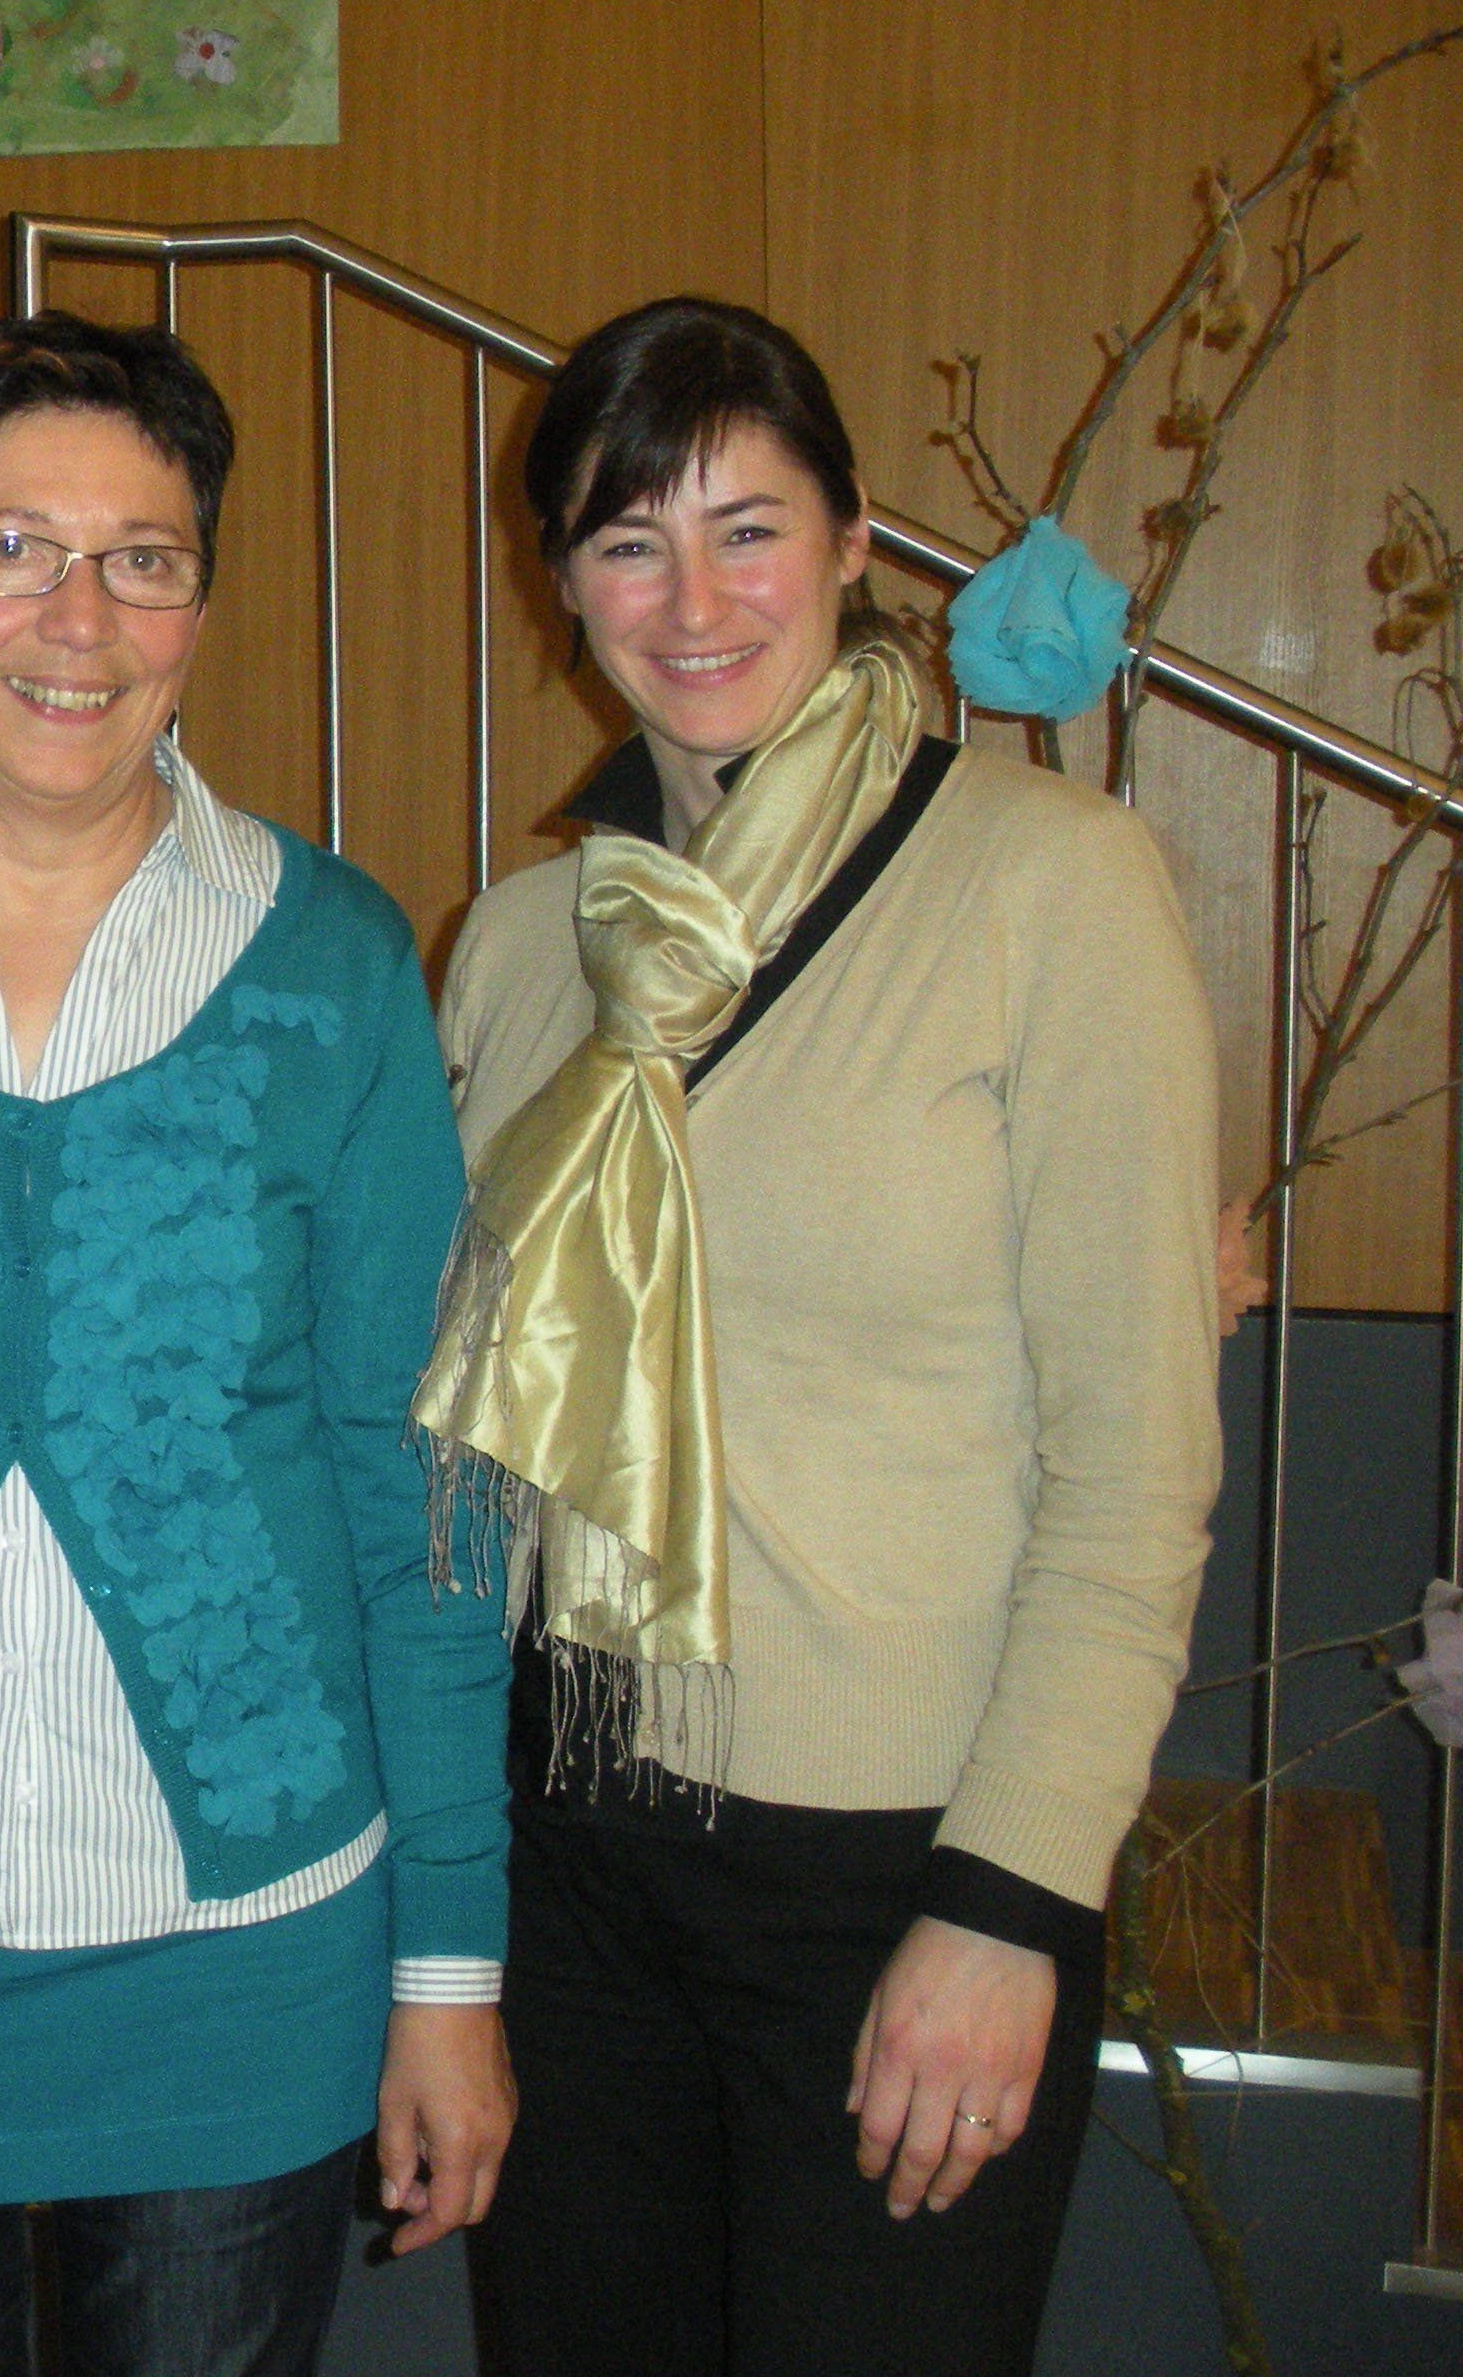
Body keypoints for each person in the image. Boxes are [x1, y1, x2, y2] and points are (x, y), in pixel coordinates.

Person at [0, 311, 515, 2377]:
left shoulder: (337, 964)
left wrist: (451, 1966)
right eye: (10, 551)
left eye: (144, 560)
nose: (79, 619)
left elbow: (423, 1488)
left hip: (245, 1952)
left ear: (199, 611)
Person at [427, 296, 1224, 2376]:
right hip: (565, 1859)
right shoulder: (523, 946)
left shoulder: (1052, 891)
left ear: (857, 542)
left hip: (896, 1878)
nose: (692, 603)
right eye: (628, 542)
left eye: (749, 529)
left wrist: (1011, 1905)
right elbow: (463, 1438)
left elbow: (1134, 1471)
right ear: (563, 581)